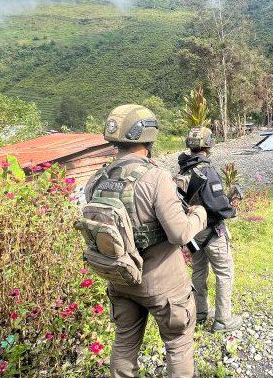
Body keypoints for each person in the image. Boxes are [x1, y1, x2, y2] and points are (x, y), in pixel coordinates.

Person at [84, 104, 207, 378]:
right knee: (177, 345)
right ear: (148, 137)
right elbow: (180, 234)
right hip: (161, 282)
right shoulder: (156, 177)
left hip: (119, 278)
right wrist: (199, 214)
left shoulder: (96, 179)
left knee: (125, 343)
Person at [176, 126, 241, 332]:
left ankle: (201, 313)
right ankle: (223, 320)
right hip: (212, 231)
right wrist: (232, 210)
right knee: (224, 272)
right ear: (209, 144)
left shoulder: (184, 169)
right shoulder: (207, 171)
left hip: (193, 233)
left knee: (199, 271)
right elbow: (216, 205)